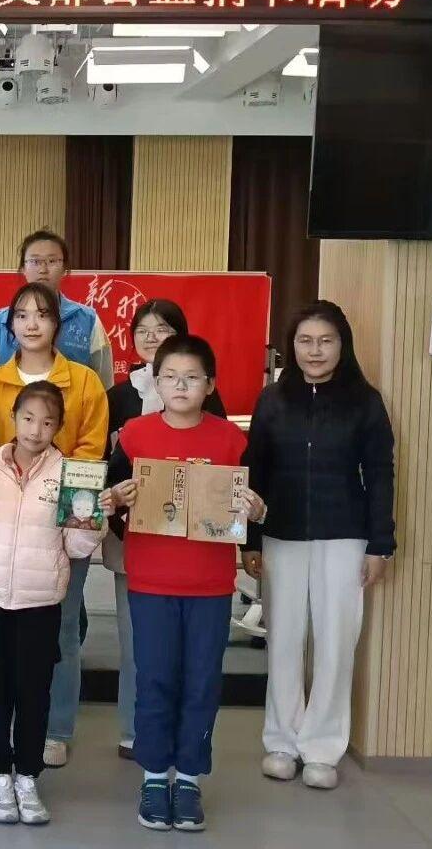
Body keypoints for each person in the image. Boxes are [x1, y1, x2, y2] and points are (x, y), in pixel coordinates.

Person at [104, 336, 266, 832]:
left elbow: (253, 506)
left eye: (192, 377)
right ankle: (155, 776)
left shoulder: (231, 440)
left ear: (210, 385)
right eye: (170, 377)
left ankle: (190, 778)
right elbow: (110, 503)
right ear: (155, 381)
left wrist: (257, 512)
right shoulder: (134, 435)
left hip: (211, 584)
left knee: (201, 680)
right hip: (151, 579)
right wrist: (116, 498)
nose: (180, 386)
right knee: (154, 678)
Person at [0, 382, 105, 826]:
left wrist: (94, 519)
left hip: (40, 599)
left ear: (58, 427)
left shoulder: (70, 474)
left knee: (34, 691)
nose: (35, 430)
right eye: (28, 418)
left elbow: (76, 547)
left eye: (47, 422)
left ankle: (27, 775)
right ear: (13, 418)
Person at [242, 301, 395, 791]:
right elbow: (254, 472)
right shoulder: (272, 400)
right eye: (305, 341)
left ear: (342, 345)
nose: (315, 351)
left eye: (326, 341)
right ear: (291, 346)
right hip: (281, 533)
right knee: (284, 640)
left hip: (345, 535)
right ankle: (281, 743)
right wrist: (249, 541)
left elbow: (381, 474)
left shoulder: (365, 402)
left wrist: (380, 544)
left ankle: (323, 748)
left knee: (335, 641)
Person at [0, 281, 108, 768]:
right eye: (22, 315)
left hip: (61, 524)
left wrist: (58, 501)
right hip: (1, 527)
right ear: (9, 326)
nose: (31, 323)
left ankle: (56, 728)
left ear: (58, 323)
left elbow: (91, 452)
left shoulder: (85, 382)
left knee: (62, 630)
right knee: (5, 635)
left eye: (42, 314)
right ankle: (10, 726)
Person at [104, 299, 227, 761]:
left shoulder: (217, 416)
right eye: (143, 329)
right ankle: (138, 736)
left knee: (195, 663)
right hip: (139, 544)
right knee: (142, 648)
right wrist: (116, 506)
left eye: (163, 329)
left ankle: (185, 754)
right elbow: (110, 470)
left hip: (200, 557)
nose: (152, 336)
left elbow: (227, 479)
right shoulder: (121, 401)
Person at [0, 230, 112, 382]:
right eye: (34, 261)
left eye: (52, 261)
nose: (43, 270)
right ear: (23, 268)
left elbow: (104, 386)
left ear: (64, 268)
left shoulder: (88, 320)